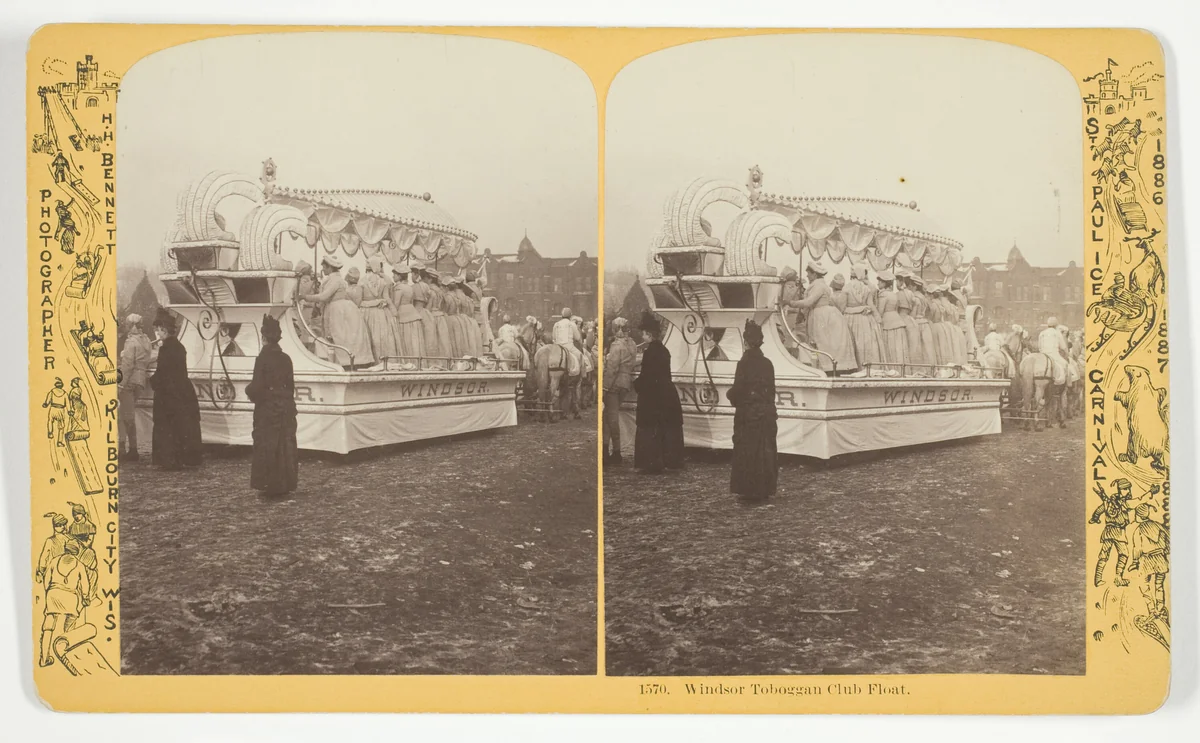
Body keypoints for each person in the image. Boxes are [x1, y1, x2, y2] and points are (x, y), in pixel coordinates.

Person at [245, 314, 299, 497]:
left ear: (264, 338)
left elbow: (257, 386)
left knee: (268, 444)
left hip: (268, 407)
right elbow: (291, 386)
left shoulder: (262, 358)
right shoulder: (286, 358)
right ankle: (285, 483)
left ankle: (269, 483)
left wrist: (248, 392)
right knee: (284, 444)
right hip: (285, 405)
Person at [727, 319, 778, 503]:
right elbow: (771, 391)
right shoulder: (768, 363)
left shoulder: (744, 363)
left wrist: (730, 395)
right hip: (766, 413)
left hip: (748, 414)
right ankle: (764, 488)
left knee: (748, 451)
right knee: (764, 452)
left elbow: (738, 390)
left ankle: (749, 489)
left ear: (746, 342)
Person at [149, 309, 203, 468]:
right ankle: (184, 459)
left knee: (166, 425)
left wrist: (153, 381)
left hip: (168, 393)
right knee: (182, 425)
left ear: (164, 330)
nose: (158, 333)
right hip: (182, 390)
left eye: (159, 330)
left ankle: (169, 460)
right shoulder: (179, 347)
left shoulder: (166, 348)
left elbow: (163, 373)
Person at [300, 255, 375, 370]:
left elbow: (324, 296)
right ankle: (341, 362)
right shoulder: (333, 279)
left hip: (339, 310)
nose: (323, 270)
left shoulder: (336, 280)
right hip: (338, 308)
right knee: (339, 337)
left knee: (341, 336)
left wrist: (305, 297)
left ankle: (347, 362)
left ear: (330, 267)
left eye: (324, 267)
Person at [633, 310, 684, 473]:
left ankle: (651, 462)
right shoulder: (664, 351)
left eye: (644, 334)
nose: (642, 336)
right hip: (666, 393)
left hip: (652, 396)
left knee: (650, 428)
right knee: (666, 428)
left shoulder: (649, 353)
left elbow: (647, 376)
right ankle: (668, 460)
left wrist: (636, 384)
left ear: (649, 334)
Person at [786, 263, 857, 374]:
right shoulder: (818, 285)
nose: (807, 276)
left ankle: (830, 367)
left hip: (823, 317)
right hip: (821, 314)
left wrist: (790, 303)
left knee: (825, 342)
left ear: (814, 274)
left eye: (808, 273)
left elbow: (809, 302)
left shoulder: (819, 286)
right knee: (824, 343)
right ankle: (827, 367)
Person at [39, 540, 91, 667]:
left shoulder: (54, 561)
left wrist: (50, 592)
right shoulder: (79, 565)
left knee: (48, 626)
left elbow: (46, 580)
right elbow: (85, 585)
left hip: (53, 594)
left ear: (65, 549)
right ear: (76, 552)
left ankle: (44, 658)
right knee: (69, 625)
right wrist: (85, 597)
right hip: (71, 597)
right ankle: (66, 653)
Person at [603, 317, 638, 464]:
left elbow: (612, 369)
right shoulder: (633, 344)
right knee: (609, 417)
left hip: (614, 384)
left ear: (617, 329)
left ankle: (614, 452)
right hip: (626, 383)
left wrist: (604, 386)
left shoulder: (617, 346)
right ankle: (608, 450)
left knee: (611, 418)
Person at [117, 312, 152, 460]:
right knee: (128, 414)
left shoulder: (131, 342)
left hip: (129, 382)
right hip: (140, 381)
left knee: (125, 417)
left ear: (132, 326)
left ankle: (129, 450)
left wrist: (120, 384)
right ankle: (129, 448)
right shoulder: (146, 340)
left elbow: (127, 366)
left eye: (127, 324)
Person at [1129, 500, 1169, 621]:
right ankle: (1160, 608)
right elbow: (1168, 539)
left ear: (1139, 515)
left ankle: (1152, 611)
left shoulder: (1139, 530)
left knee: (1143, 585)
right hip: (1161, 559)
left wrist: (1135, 562)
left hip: (1147, 560)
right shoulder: (1158, 525)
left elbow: (1138, 548)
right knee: (1159, 585)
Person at [1090, 479, 1135, 587]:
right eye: (1125, 489)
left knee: (1105, 555)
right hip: (1118, 532)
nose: (1128, 491)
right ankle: (1115, 578)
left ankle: (1100, 579)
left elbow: (1098, 510)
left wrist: (1095, 518)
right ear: (1120, 489)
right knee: (1123, 554)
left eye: (1128, 488)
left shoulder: (1109, 502)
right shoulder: (1123, 503)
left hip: (1110, 532)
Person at [357, 256, 401, 360]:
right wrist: (387, 306)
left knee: (368, 337)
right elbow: (387, 298)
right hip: (381, 313)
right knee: (381, 337)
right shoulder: (383, 281)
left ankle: (370, 360)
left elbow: (359, 302)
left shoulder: (362, 281)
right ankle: (382, 360)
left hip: (366, 313)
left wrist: (372, 303)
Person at [843, 266, 886, 368]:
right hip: (864, 319)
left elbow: (843, 306)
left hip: (850, 318)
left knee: (851, 343)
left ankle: (853, 367)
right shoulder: (866, 288)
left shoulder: (846, 287)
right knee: (864, 343)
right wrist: (877, 318)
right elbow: (871, 305)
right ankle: (865, 366)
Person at [390, 264, 426, 360]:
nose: (393, 276)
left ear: (399, 276)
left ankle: (406, 360)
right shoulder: (409, 287)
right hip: (412, 313)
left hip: (403, 315)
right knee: (413, 341)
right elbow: (411, 302)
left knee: (405, 339)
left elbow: (396, 304)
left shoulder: (398, 288)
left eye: (395, 275)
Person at [876, 271, 909, 369]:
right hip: (897, 320)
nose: (878, 284)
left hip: (888, 322)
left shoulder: (883, 295)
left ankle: (891, 368)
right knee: (898, 347)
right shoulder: (894, 294)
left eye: (880, 282)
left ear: (884, 283)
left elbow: (880, 311)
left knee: (889, 346)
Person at [411, 264, 444, 363]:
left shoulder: (429, 289)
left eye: (426, 278)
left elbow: (428, 306)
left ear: (430, 279)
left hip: (430, 314)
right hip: (440, 316)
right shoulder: (440, 291)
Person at [293, 261, 321, 353]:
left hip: (309, 308)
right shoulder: (302, 281)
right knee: (304, 330)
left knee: (308, 330)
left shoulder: (309, 280)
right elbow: (302, 291)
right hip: (303, 308)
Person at [36, 512, 71, 584]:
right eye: (59, 525)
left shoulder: (64, 539)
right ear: (54, 526)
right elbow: (44, 557)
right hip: (64, 570)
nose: (62, 527)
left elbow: (44, 558)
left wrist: (41, 571)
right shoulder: (53, 540)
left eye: (63, 524)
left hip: (55, 571)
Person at [1038, 315, 1069, 387]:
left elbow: (1039, 346)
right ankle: (1062, 384)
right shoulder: (1057, 333)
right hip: (1054, 354)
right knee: (1065, 364)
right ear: (1056, 325)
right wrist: (1067, 354)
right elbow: (1063, 347)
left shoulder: (1042, 333)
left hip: (1042, 355)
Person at [43, 377, 68, 448]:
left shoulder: (51, 392)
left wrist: (46, 404)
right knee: (61, 426)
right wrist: (69, 411)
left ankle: (50, 433)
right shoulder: (65, 393)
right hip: (60, 410)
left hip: (53, 409)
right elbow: (68, 404)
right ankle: (59, 442)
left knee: (50, 421)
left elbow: (47, 400)